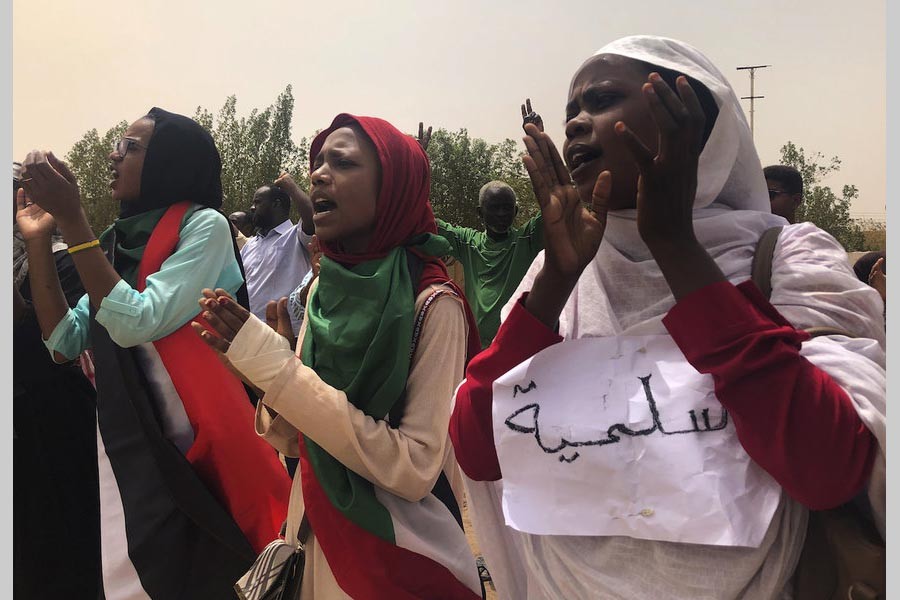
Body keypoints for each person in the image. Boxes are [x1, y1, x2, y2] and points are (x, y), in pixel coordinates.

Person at [449, 36, 885, 599]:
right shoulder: (556, 274)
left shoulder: (787, 257)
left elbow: (831, 468)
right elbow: (477, 451)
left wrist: (675, 245)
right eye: (570, 111)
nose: (575, 123)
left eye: (602, 100)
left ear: (691, 120)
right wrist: (555, 282)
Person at [196, 113, 484, 599]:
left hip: (392, 563)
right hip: (313, 541)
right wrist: (258, 373)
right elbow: (298, 443)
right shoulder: (322, 294)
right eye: (318, 164)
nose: (318, 175)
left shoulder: (434, 304)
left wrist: (278, 370)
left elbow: (415, 468)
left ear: (392, 188)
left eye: (343, 163)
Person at [17, 108, 291, 599]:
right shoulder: (116, 244)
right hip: (141, 447)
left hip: (203, 445)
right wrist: (39, 240)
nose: (113, 156)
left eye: (130, 147)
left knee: (223, 565)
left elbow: (137, 322)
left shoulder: (203, 227)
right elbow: (63, 341)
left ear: (171, 161)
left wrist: (74, 220)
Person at [13, 162, 100, 599]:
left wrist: (36, 244)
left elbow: (54, 346)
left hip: (57, 427)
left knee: (64, 556)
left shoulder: (64, 261)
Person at [436, 181, 543, 349]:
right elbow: (430, 222)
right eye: (494, 207)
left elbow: (554, 209)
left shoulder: (526, 240)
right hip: (477, 347)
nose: (501, 214)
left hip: (516, 346)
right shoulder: (468, 242)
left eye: (507, 208)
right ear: (480, 212)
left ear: (515, 211)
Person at [241, 175, 315, 335]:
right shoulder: (250, 245)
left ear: (276, 204)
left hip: (287, 332)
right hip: (250, 330)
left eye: (258, 202)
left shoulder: (296, 236)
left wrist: (291, 187)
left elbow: (312, 218)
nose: (252, 208)